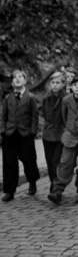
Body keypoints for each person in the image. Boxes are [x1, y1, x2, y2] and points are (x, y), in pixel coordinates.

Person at [48, 73, 78, 205]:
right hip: (70, 135)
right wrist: (69, 128)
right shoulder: (66, 100)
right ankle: (57, 191)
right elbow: (64, 116)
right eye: (74, 85)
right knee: (65, 163)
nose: (77, 88)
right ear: (71, 87)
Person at [1, 69, 40, 202]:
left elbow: (35, 116)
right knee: (9, 163)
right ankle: (9, 191)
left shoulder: (31, 97)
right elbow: (3, 116)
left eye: (20, 77)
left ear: (25, 80)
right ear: (12, 83)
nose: (17, 79)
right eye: (14, 78)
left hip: (25, 134)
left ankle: (32, 182)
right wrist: (3, 131)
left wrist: (33, 132)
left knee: (29, 160)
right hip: (10, 134)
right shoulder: (8, 98)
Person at [41, 71, 65, 191]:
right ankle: (53, 182)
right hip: (48, 134)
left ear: (63, 84)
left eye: (57, 83)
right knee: (49, 161)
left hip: (60, 134)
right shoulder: (46, 98)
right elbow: (43, 113)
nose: (55, 85)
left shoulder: (65, 98)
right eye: (53, 83)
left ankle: (57, 186)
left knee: (56, 161)